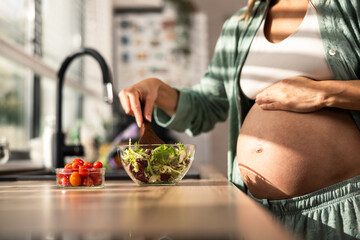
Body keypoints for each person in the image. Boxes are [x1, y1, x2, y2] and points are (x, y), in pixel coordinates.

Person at [119, 0, 360, 239]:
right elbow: (208, 105)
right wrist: (158, 90)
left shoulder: (349, 7)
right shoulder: (240, 26)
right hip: (258, 211)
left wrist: (322, 93)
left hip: (342, 208)